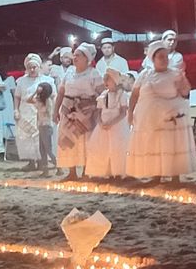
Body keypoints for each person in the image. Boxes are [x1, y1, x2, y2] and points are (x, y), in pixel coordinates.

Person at [127, 43, 193, 183]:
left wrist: (183, 80)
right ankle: (155, 175)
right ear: (153, 58)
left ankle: (175, 175)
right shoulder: (145, 74)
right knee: (153, 145)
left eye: (166, 56)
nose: (164, 59)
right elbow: (134, 94)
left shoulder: (175, 73)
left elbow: (185, 92)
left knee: (171, 145)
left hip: (170, 115)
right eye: (160, 57)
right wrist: (130, 112)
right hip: (149, 118)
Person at [54, 44, 100, 182]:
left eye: (78, 55)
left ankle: (86, 171)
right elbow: (61, 92)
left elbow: (102, 93)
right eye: (74, 55)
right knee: (67, 140)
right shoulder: (69, 72)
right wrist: (55, 110)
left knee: (85, 141)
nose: (75, 57)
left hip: (85, 112)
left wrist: (93, 106)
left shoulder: (93, 73)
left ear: (87, 59)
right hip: (68, 110)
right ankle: (71, 172)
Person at [87, 66, 131, 179]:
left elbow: (122, 113)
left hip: (117, 126)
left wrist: (112, 123)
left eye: (109, 80)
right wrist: (101, 123)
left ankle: (118, 172)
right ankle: (107, 172)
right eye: (105, 79)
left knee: (117, 149)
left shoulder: (122, 95)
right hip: (104, 127)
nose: (106, 82)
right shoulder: (103, 96)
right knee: (103, 148)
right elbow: (99, 112)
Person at [13, 54, 49, 168]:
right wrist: (16, 110)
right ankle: (31, 162)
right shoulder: (22, 81)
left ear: (39, 67)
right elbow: (17, 96)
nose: (32, 70)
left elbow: (53, 96)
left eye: (34, 67)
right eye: (30, 68)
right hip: (25, 113)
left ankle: (42, 161)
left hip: (41, 113)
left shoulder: (46, 80)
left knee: (40, 138)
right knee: (26, 138)